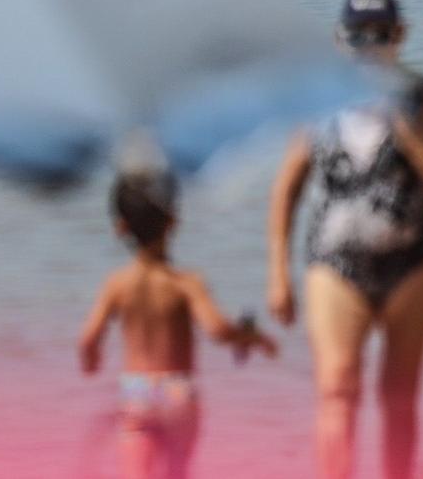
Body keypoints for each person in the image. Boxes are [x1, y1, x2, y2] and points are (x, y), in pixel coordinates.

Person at [268, 0, 423, 479]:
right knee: (337, 390)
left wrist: (404, 125)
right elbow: (288, 186)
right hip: (336, 265)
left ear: (399, 37)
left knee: (398, 397)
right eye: (358, 37)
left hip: (415, 263)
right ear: (340, 40)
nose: (368, 47)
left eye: (380, 36)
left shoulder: (420, 94)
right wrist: (278, 274)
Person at [81, 168, 277, 479]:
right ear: (173, 221)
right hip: (177, 393)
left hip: (136, 391)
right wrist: (251, 336)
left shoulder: (116, 284)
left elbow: (88, 338)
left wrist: (91, 360)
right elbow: (217, 329)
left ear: (120, 228)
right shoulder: (186, 283)